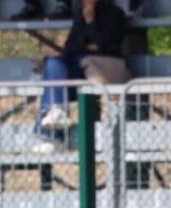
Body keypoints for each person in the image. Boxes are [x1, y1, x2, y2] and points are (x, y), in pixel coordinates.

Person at [32, 0, 126, 153]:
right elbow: (71, 48)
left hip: (97, 69)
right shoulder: (79, 14)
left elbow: (106, 46)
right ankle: (56, 114)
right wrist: (88, 44)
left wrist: (90, 22)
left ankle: (48, 136)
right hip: (77, 66)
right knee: (53, 64)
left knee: (54, 81)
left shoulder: (115, 14)